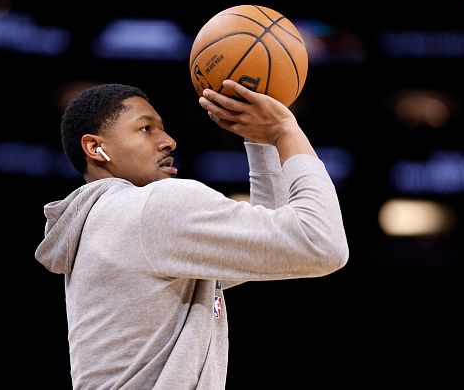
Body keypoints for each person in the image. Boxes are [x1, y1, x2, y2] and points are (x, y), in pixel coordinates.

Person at [35, 79, 349, 389]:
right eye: (146, 128)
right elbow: (321, 243)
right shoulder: (153, 208)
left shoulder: (102, 221)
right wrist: (284, 129)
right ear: (95, 148)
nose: (168, 140)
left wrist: (260, 138)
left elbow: (273, 243)